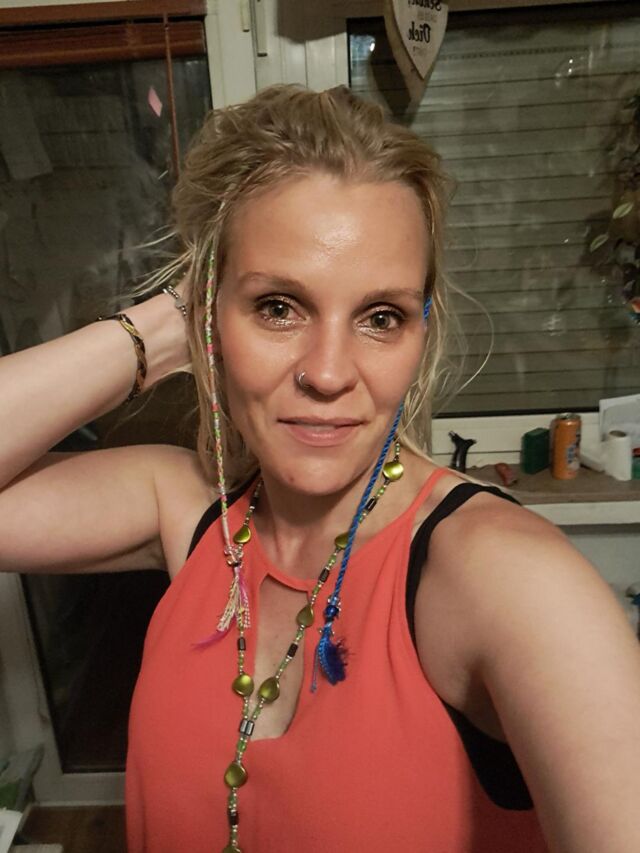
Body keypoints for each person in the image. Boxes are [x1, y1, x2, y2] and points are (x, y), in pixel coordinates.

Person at [1, 84, 639, 853]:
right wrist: (165, 326)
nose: (330, 372)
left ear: (421, 333)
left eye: (380, 317)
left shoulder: (506, 578)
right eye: (278, 306)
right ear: (212, 314)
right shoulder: (189, 508)